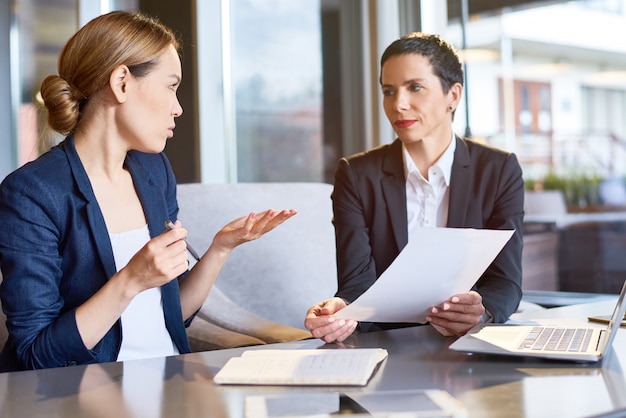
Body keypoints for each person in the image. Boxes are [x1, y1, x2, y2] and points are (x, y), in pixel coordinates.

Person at [0, 11, 296, 372]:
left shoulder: (153, 172)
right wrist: (130, 280)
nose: (178, 107)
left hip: (169, 385)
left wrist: (220, 248)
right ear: (122, 82)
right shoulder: (32, 193)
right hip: (86, 394)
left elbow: (171, 315)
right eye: (171, 86)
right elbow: (35, 355)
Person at [304, 32, 524, 342]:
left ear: (453, 96)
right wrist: (343, 310)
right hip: (385, 346)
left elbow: (506, 282)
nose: (399, 104)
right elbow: (356, 285)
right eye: (389, 91)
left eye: (415, 88)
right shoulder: (355, 175)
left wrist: (481, 310)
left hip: (469, 346)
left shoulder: (499, 170)